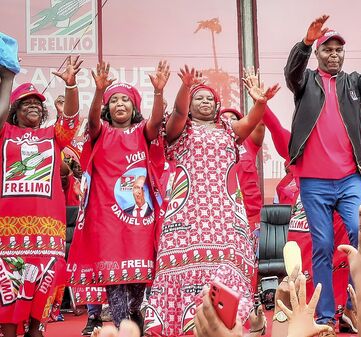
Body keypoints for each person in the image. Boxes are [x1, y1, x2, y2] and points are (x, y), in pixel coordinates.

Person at [143, 66, 279, 337]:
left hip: (225, 211)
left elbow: (251, 122)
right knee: (181, 264)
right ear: (190, 106)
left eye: (210, 99)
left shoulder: (229, 131)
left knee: (228, 263)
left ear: (217, 106)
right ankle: (180, 324)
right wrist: (185, 87)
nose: (205, 103)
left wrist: (260, 102)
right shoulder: (179, 131)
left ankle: (231, 322)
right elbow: (179, 113)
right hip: (187, 212)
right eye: (198, 99)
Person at [283, 14, 361, 334]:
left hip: (349, 179)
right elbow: (291, 73)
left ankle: (360, 307)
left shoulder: (352, 82)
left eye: (339, 50)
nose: (334, 54)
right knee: (323, 245)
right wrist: (304, 43)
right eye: (327, 49)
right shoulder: (305, 83)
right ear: (318, 54)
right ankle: (326, 315)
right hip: (314, 182)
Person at [67, 60, 171, 332]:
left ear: (135, 107)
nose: (120, 105)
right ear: (107, 107)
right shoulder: (100, 133)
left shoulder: (142, 132)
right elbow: (91, 121)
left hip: (140, 222)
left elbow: (157, 121)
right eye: (114, 101)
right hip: (106, 221)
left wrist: (159, 92)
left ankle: (133, 320)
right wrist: (99, 90)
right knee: (115, 285)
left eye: (126, 100)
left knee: (136, 292)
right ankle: (124, 328)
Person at [0, 55, 81, 337]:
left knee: (40, 310)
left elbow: (70, 121)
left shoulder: (51, 136)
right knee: (8, 308)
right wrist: (7, 78)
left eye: (37, 103)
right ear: (14, 110)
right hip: (8, 233)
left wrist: (71, 87)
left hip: (47, 232)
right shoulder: (4, 133)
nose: (33, 105)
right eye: (25, 103)